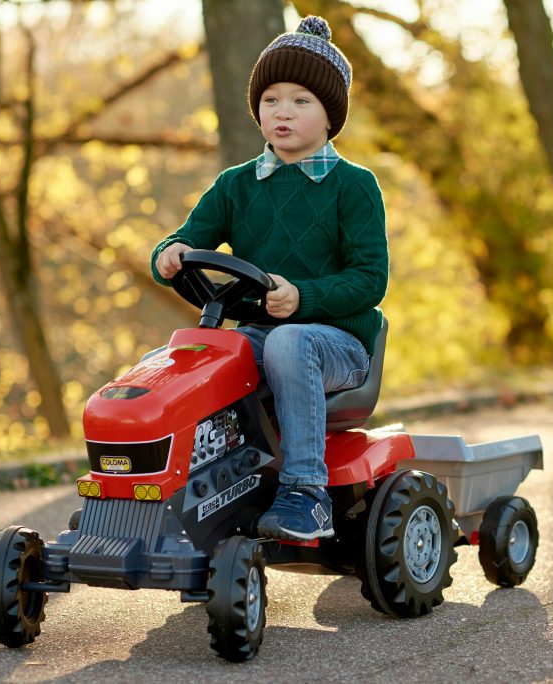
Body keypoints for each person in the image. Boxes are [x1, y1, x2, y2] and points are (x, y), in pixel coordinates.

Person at [150, 16, 388, 541]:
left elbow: (370, 281)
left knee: (288, 340)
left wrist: (302, 297)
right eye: (272, 99)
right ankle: (171, 491)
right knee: (191, 359)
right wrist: (170, 254)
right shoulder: (235, 185)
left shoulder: (353, 186)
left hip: (340, 344)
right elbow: (185, 238)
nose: (283, 111)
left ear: (330, 116)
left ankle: (306, 491)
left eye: (301, 100)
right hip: (262, 334)